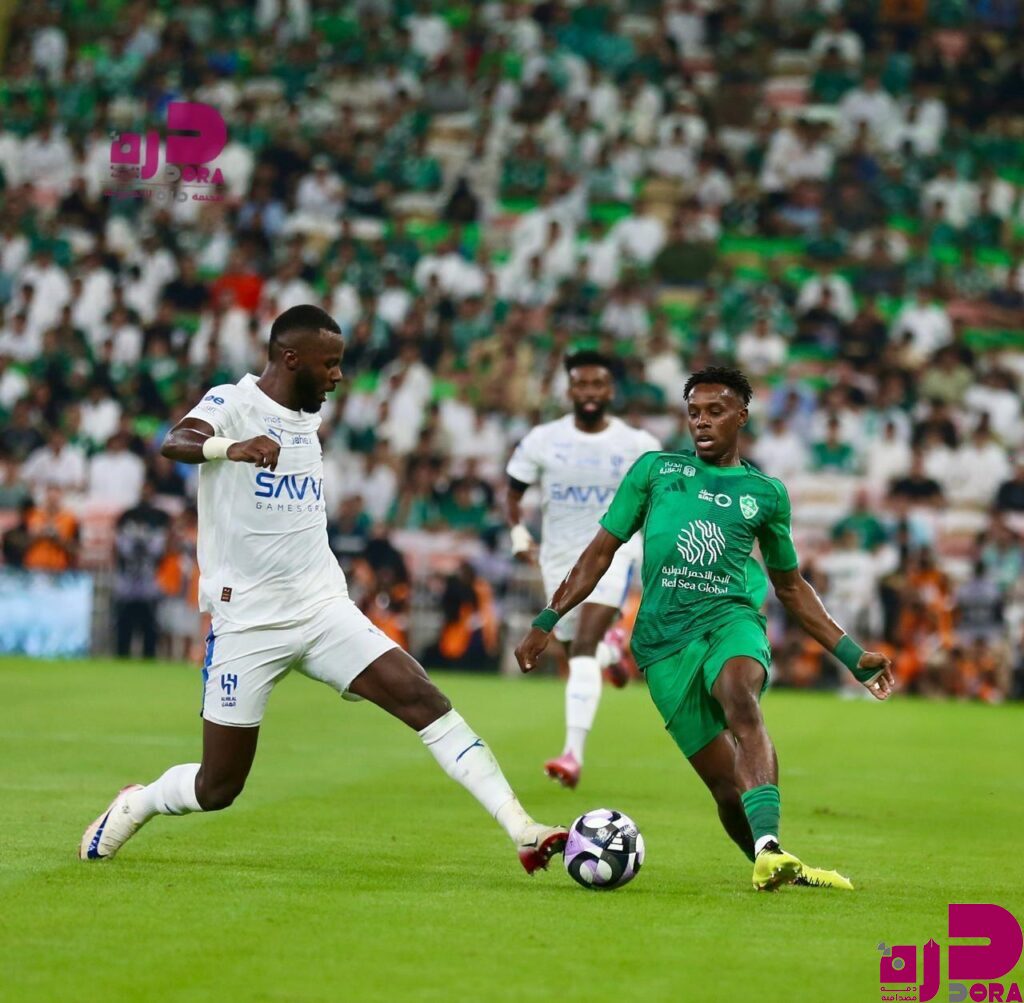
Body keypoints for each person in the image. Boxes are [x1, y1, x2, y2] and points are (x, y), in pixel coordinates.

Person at [80, 305, 567, 874]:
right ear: (291, 359)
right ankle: (139, 802)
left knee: (425, 700)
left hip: (322, 610)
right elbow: (177, 440)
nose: (338, 375)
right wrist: (230, 447)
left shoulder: (306, 416)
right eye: (329, 364)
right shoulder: (233, 402)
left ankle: (522, 828)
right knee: (218, 787)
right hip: (249, 623)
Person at [515, 366, 895, 892]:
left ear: (742, 416)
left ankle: (769, 846)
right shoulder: (655, 472)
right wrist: (548, 619)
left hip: (730, 621)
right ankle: (769, 863)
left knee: (740, 696)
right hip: (663, 644)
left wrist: (853, 655)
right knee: (725, 788)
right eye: (694, 412)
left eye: (716, 411)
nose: (702, 422)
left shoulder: (765, 493)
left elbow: (790, 587)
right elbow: (598, 554)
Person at [506, 350, 660, 789]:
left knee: (581, 650)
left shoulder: (638, 444)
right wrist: (518, 533)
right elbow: (513, 491)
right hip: (559, 559)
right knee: (574, 649)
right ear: (569, 390)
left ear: (611, 390)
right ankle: (614, 652)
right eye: (581, 384)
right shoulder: (543, 439)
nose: (590, 392)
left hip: (613, 554)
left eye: (598, 384)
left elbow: (663, 500)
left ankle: (572, 754)